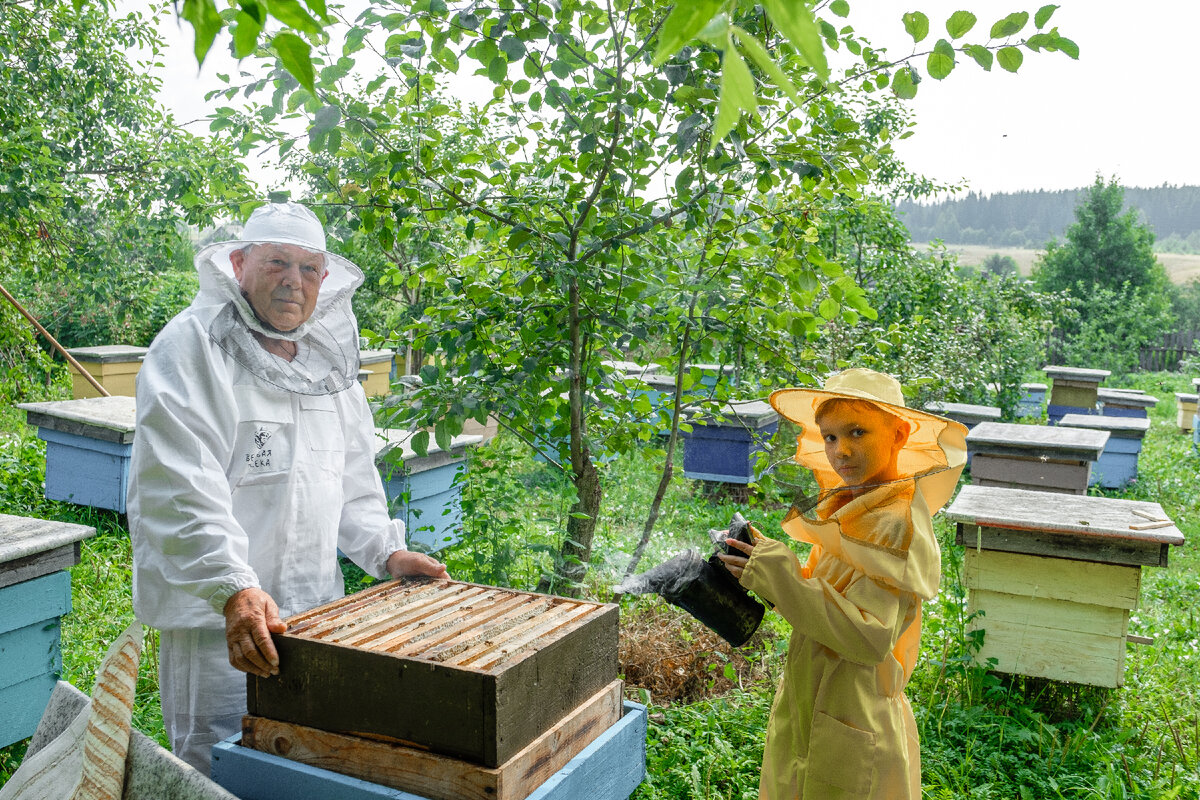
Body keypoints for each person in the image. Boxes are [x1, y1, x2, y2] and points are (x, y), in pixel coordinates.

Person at [127, 202, 448, 774]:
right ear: (239, 263)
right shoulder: (192, 348)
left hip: (315, 612)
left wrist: (386, 551)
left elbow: (352, 477)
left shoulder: (328, 365)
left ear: (324, 280)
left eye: (307, 268)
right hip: (220, 621)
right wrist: (232, 587)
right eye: (277, 262)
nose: (292, 281)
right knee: (217, 768)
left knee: (304, 764)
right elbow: (178, 485)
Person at [717, 368, 967, 799]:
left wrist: (781, 576)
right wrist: (763, 570)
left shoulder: (895, 523)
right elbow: (824, 598)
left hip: (855, 713)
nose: (841, 450)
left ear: (899, 434)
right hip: (810, 698)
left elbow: (869, 637)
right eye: (830, 437)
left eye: (857, 432)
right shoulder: (854, 507)